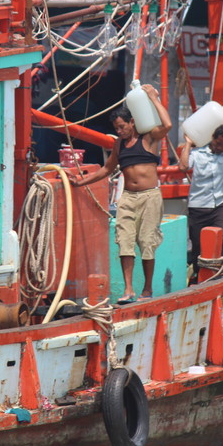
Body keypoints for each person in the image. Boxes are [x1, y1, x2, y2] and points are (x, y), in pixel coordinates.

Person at [69, 84, 172, 302]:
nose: (119, 131)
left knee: (147, 243)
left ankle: (147, 289)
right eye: (116, 128)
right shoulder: (119, 145)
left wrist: (154, 98)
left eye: (122, 126)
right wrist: (81, 181)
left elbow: (168, 124)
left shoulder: (149, 137)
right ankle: (128, 290)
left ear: (132, 122)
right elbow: (107, 169)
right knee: (124, 242)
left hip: (149, 196)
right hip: (127, 197)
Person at [178, 101, 223, 280]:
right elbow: (183, 166)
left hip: (219, 205)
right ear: (212, 138)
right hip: (198, 206)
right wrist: (187, 144)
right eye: (217, 143)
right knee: (197, 242)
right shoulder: (198, 153)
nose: (219, 148)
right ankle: (198, 273)